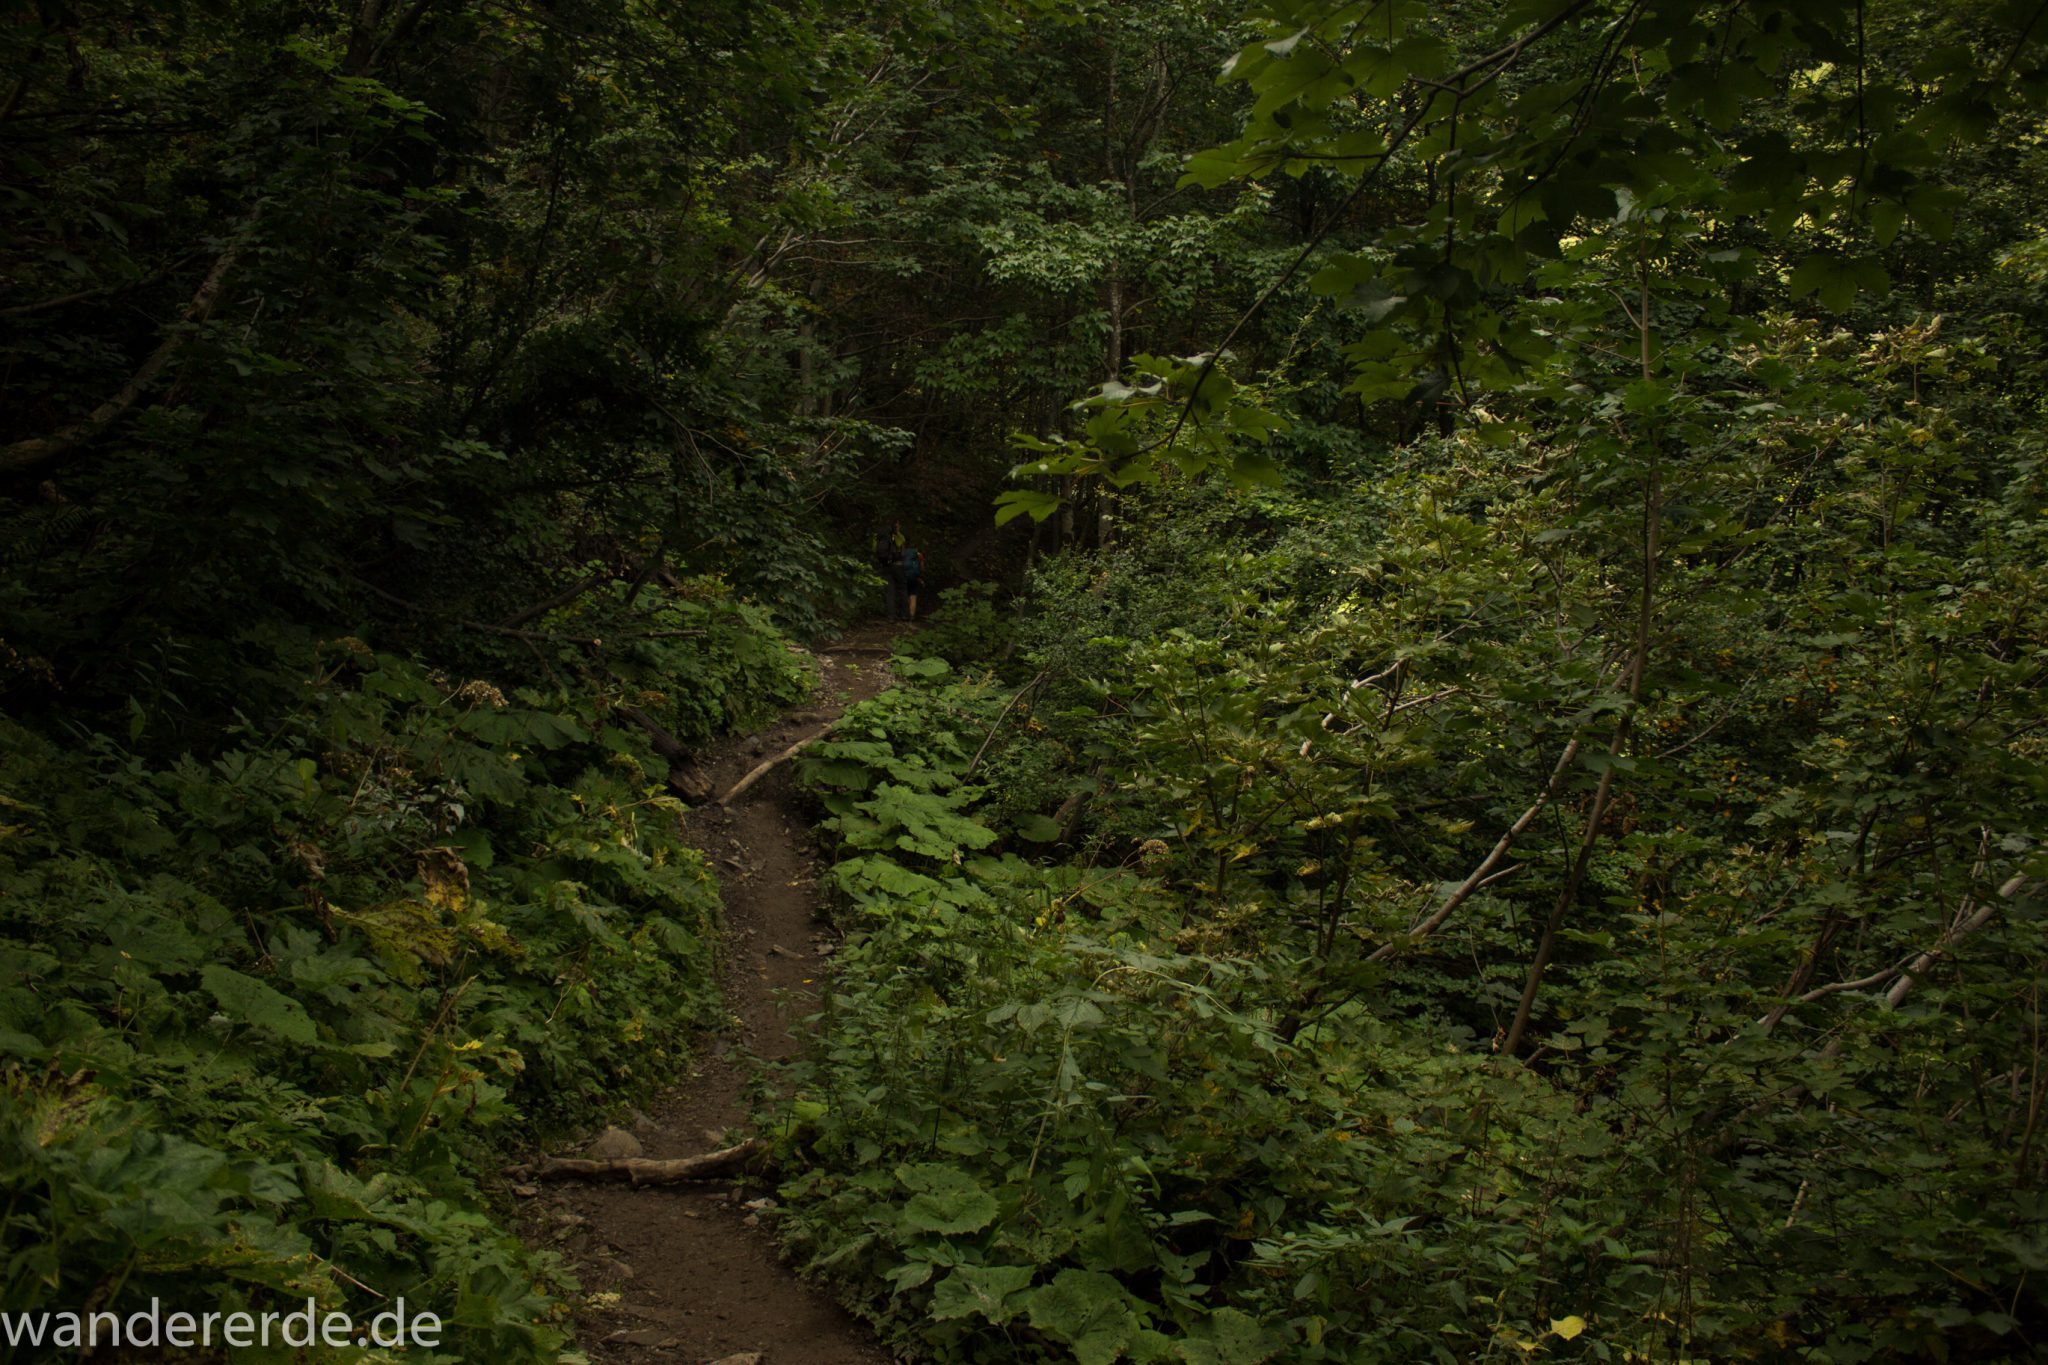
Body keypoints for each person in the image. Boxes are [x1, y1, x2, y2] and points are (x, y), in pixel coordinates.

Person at [874, 520, 905, 619]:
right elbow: (902, 548)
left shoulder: (879, 537)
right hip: (896, 566)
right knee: (902, 589)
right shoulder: (895, 537)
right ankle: (904, 614)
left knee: (889, 592)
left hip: (885, 566)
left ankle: (891, 616)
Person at [901, 542, 924, 620]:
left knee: (905, 594)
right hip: (914, 577)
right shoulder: (919, 555)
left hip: (904, 576)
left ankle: (905, 614)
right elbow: (921, 567)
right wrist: (920, 576)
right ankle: (912, 615)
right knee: (913, 596)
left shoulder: (903, 553)